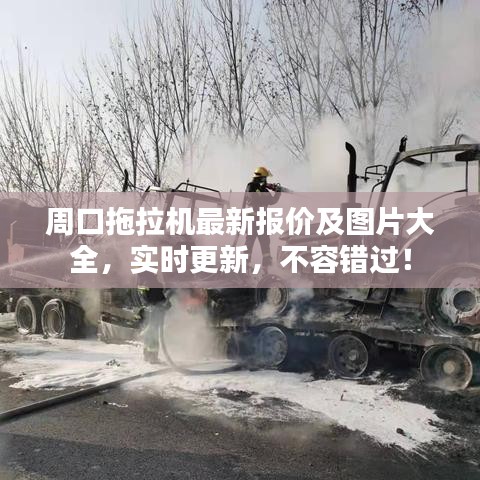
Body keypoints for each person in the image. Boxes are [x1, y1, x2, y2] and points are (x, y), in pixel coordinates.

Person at [244, 166, 281, 269]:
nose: (266, 180)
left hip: (262, 221)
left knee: (265, 244)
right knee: (249, 243)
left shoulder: (263, 189)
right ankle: (245, 267)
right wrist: (265, 190)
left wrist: (277, 192)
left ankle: (266, 268)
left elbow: (271, 201)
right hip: (252, 220)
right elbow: (255, 197)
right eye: (265, 178)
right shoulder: (251, 186)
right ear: (260, 178)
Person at [141, 287, 170, 364]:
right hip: (155, 306)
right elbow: (156, 293)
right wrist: (164, 302)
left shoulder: (145, 281)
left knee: (150, 329)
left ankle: (147, 354)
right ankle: (153, 357)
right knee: (153, 331)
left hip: (149, 306)